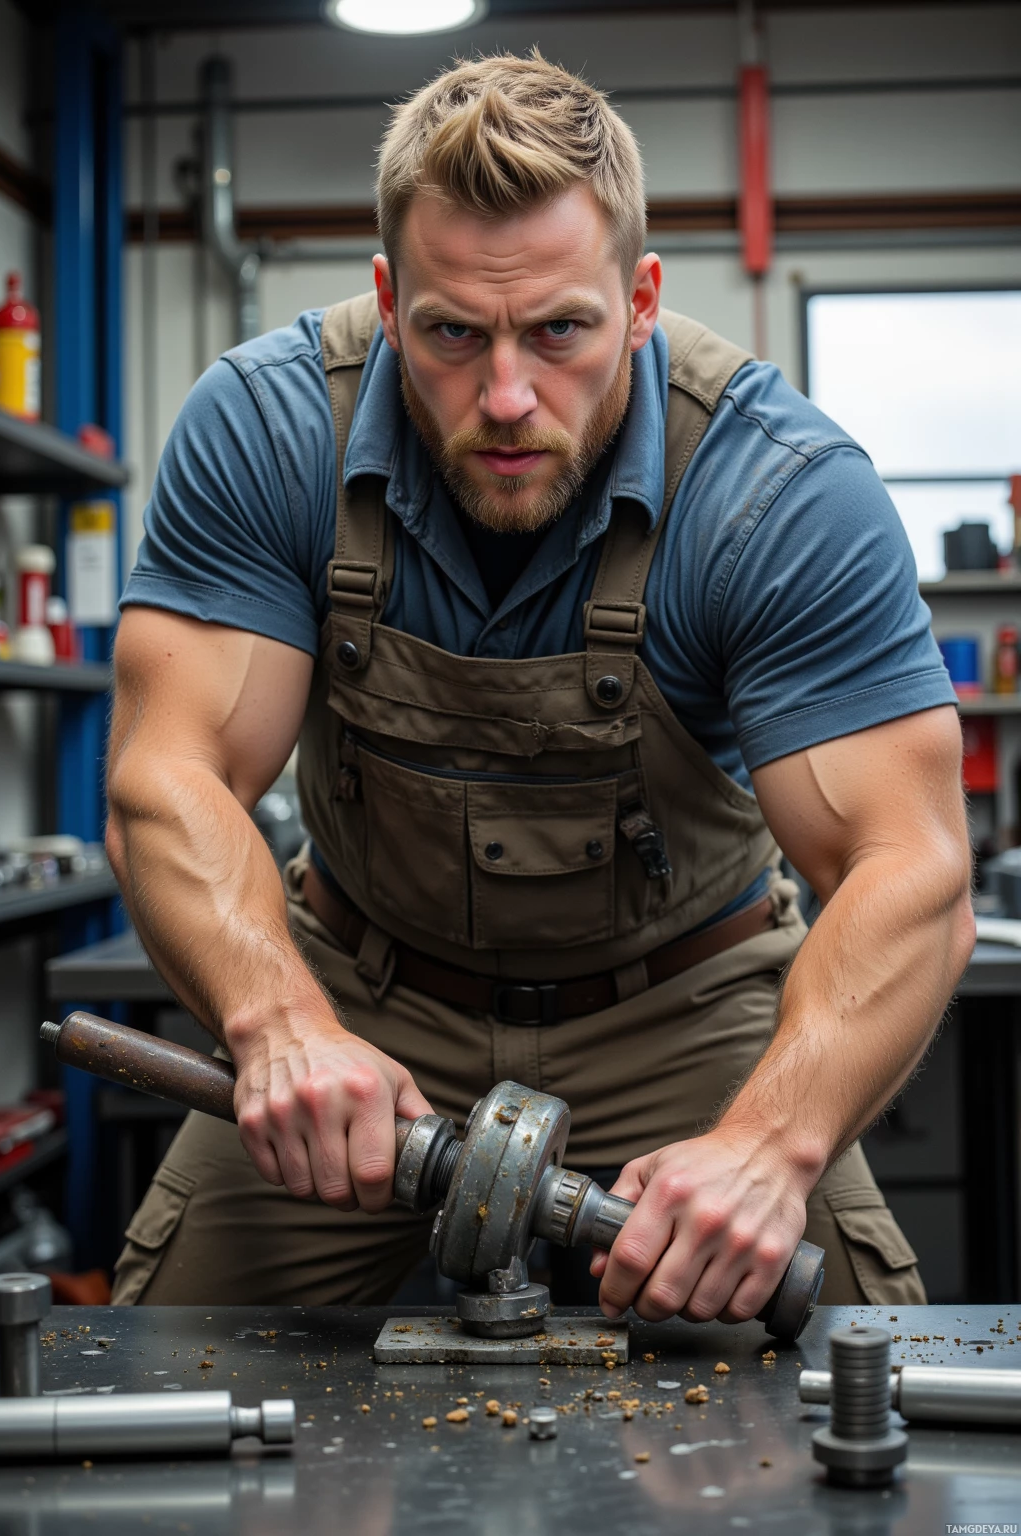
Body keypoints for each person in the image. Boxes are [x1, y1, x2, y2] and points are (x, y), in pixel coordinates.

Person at [108, 52, 972, 1321]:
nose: (506, 398)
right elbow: (165, 777)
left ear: (639, 299)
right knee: (151, 1383)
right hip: (358, 1002)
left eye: (558, 330)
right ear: (389, 298)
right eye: (452, 334)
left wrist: (769, 1149)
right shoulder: (267, 427)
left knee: (852, 1386)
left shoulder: (779, 491)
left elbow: (911, 865)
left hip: (687, 1007)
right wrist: (275, 1024)